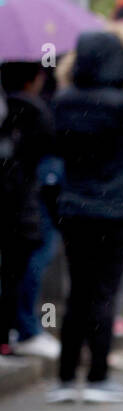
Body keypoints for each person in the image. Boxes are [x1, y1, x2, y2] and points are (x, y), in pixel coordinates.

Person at [50, 26, 123, 403]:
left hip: (73, 206)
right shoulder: (122, 102)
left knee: (76, 292)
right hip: (116, 208)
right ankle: (98, 376)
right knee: (105, 292)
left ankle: (66, 378)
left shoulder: (64, 100)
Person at [0, 62, 55, 358]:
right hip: (23, 205)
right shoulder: (36, 112)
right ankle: (19, 330)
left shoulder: (11, 111)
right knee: (20, 270)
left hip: (16, 202)